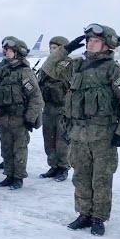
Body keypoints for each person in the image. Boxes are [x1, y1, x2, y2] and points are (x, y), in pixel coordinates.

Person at [41, 24, 120, 236]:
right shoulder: (77, 66)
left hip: (103, 136)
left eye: (95, 40)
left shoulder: (115, 71)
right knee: (81, 176)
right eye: (88, 40)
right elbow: (49, 68)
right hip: (78, 134)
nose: (89, 43)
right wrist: (65, 49)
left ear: (107, 46)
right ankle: (84, 213)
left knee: (101, 179)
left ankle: (99, 217)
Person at [0, 36, 44, 190]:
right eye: (6, 50)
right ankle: (9, 174)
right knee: (6, 147)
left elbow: (35, 97)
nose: (6, 52)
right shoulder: (1, 69)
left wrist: (30, 118)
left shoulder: (24, 72)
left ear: (17, 52)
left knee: (19, 149)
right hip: (3, 117)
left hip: (19, 118)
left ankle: (18, 177)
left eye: (10, 50)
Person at [37, 36, 71, 181]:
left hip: (63, 109)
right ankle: (53, 165)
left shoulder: (70, 64)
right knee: (49, 140)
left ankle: (63, 167)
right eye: (51, 48)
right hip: (49, 108)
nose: (52, 51)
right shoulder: (46, 65)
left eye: (56, 48)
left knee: (62, 141)